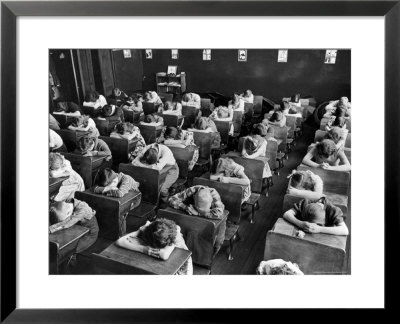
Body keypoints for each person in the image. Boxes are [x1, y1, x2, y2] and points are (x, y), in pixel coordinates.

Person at [116, 218, 193, 275]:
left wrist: (144, 249)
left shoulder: (175, 235)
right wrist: (139, 231)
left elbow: (164, 255)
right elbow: (120, 241)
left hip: (182, 269)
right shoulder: (151, 228)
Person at [282, 196, 349, 235]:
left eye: (319, 224)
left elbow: (345, 230)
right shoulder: (306, 203)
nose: (310, 227)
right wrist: (300, 223)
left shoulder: (333, 210)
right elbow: (287, 214)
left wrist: (320, 229)